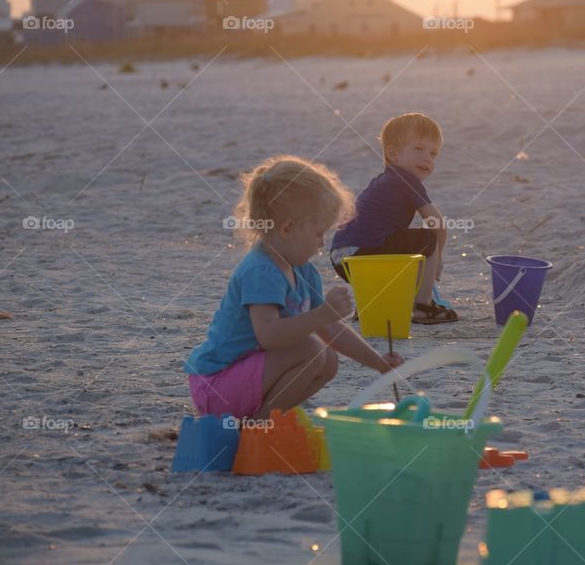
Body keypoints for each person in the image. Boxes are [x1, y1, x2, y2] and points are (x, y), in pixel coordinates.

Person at [184, 155, 404, 420]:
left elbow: (330, 329)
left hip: (250, 379)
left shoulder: (303, 270)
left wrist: (378, 363)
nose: (322, 244)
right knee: (310, 349)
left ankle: (264, 419)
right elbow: (269, 335)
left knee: (328, 361)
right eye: (318, 233)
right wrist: (323, 314)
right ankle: (259, 426)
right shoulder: (261, 270)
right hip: (217, 386)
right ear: (288, 228)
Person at [330, 112, 458, 324]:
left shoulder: (382, 181)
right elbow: (437, 224)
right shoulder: (406, 179)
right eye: (418, 149)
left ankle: (372, 304)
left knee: (405, 251)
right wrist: (437, 258)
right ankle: (423, 306)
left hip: (341, 258)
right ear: (393, 154)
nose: (427, 158)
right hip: (366, 253)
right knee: (428, 239)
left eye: (433, 153)